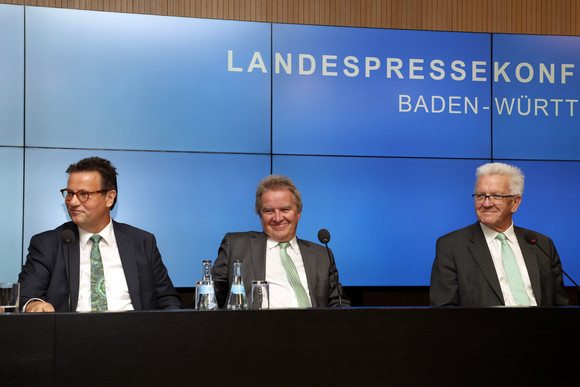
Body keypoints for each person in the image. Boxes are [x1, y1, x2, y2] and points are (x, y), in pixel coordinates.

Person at [19, 156, 182, 312]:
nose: (73, 202)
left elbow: (168, 299)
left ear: (109, 198)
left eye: (84, 194)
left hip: (134, 334)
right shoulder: (47, 244)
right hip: (72, 335)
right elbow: (27, 295)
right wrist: (34, 305)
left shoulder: (142, 242)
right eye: (69, 193)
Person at [429, 162, 568, 307]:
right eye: (480, 195)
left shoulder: (541, 244)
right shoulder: (452, 247)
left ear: (515, 202)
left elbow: (561, 309)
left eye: (495, 196)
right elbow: (443, 313)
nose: (486, 203)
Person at [212, 174, 349, 308]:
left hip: (312, 329)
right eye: (269, 211)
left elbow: (339, 304)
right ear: (260, 215)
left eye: (285, 209)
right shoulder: (236, 246)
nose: (277, 218)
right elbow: (208, 301)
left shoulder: (322, 255)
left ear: (298, 213)